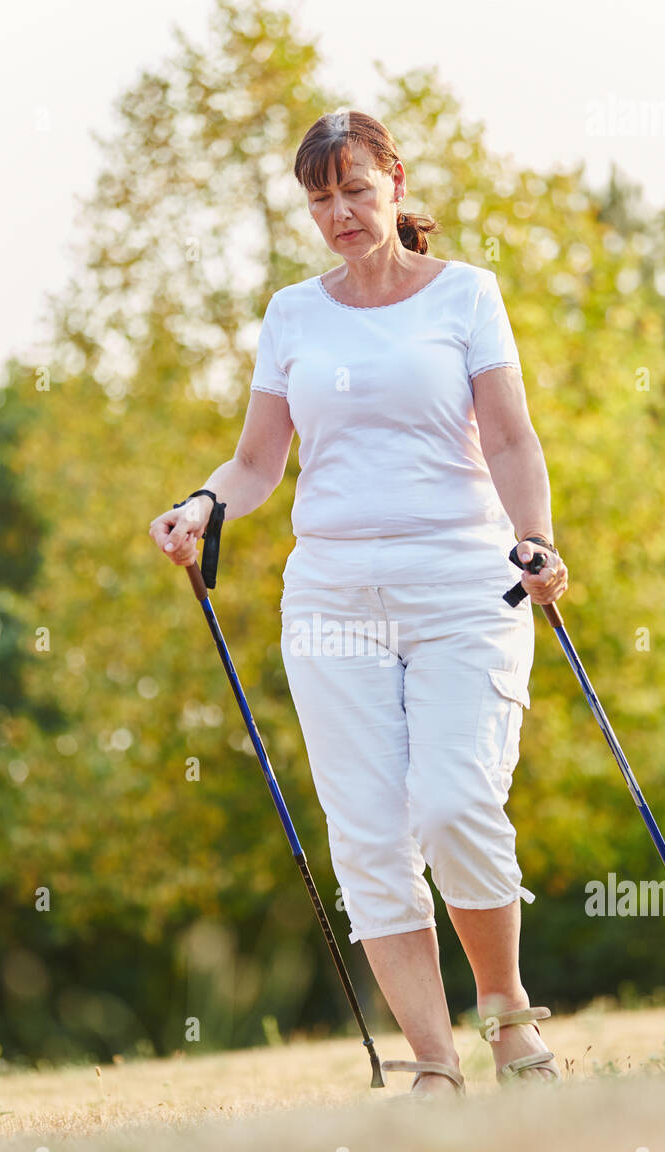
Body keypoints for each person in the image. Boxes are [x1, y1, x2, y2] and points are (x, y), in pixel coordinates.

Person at [150, 109, 569, 1100]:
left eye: (353, 188)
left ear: (395, 181)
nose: (337, 211)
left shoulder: (466, 295)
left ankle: (506, 1012)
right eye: (318, 196)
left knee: (455, 801)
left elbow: (509, 438)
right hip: (332, 596)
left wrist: (537, 534)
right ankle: (433, 1062)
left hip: (465, 583)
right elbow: (258, 462)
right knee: (371, 834)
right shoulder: (294, 314)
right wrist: (204, 503)